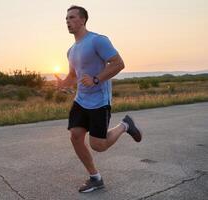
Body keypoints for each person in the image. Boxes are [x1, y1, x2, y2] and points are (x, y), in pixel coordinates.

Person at [55, 5, 143, 193]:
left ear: (83, 20)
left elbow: (119, 63)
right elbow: (73, 74)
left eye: (71, 18)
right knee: (75, 136)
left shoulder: (97, 40)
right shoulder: (70, 51)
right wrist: (64, 83)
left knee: (98, 145)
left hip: (100, 101)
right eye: (66, 19)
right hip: (80, 100)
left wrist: (96, 79)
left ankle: (125, 125)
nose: (67, 22)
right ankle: (95, 178)